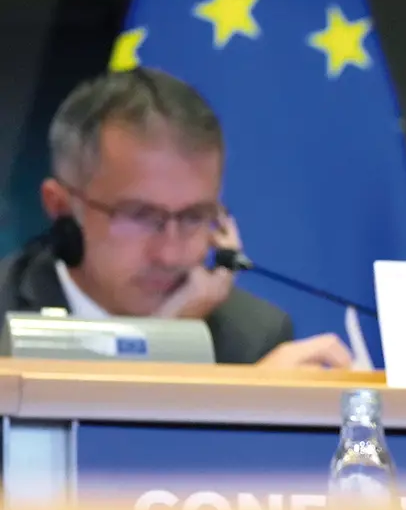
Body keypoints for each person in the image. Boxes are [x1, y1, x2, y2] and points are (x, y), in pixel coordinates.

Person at [0, 68, 352, 368]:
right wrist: (164, 341)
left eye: (195, 216)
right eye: (140, 215)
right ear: (60, 205)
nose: (170, 254)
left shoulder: (253, 337)